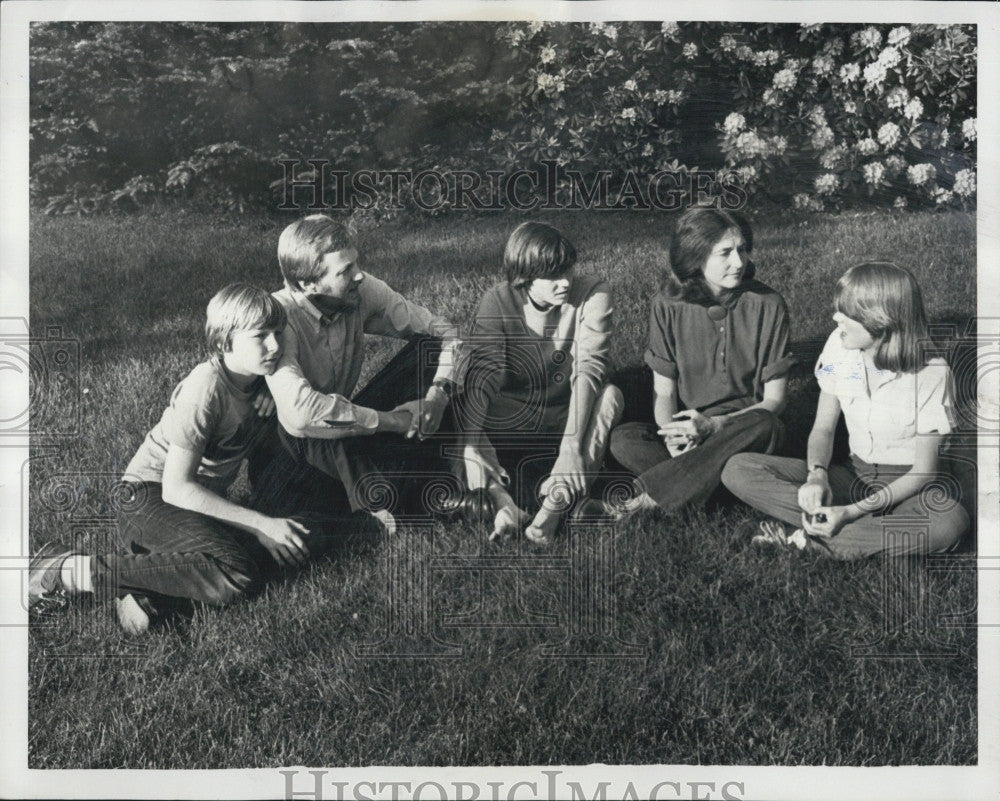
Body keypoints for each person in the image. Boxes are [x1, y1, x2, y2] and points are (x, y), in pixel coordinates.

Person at [28, 284, 376, 634]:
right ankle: (69, 570)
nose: (275, 346)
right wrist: (261, 524)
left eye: (277, 334)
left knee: (280, 545)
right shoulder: (204, 389)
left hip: (194, 507)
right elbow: (176, 488)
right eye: (260, 337)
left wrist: (274, 393)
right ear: (225, 342)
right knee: (239, 570)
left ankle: (151, 596)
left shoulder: (266, 381)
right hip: (147, 497)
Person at [721, 262, 970, 558]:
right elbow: (824, 428)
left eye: (847, 314)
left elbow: (924, 472)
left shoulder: (932, 374)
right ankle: (847, 531)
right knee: (738, 469)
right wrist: (817, 476)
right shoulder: (839, 347)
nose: (835, 317)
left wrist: (851, 512)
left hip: (910, 490)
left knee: (949, 523)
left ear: (882, 321)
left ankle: (802, 538)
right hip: (855, 475)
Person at [249, 214, 463, 519]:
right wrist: (394, 421)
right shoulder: (279, 315)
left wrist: (437, 396)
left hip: (346, 423)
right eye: (346, 270)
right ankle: (401, 492)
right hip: (294, 449)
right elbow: (302, 416)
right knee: (313, 431)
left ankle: (437, 469)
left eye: (356, 263)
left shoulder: (359, 289)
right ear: (308, 284)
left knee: (429, 349)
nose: (360, 275)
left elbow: (447, 334)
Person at [608, 205, 793, 514]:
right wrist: (672, 436)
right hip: (689, 427)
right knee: (623, 439)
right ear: (696, 256)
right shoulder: (667, 305)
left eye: (743, 250)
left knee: (767, 425)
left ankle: (646, 501)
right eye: (725, 253)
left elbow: (775, 402)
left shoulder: (769, 304)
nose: (739, 261)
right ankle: (711, 487)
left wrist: (714, 426)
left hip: (744, 428)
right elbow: (665, 392)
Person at [454, 221, 623, 544]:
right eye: (551, 276)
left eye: (568, 271)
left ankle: (554, 506)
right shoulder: (498, 300)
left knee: (612, 396)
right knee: (465, 410)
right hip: (513, 416)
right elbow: (484, 375)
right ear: (524, 277)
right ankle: (503, 503)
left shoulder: (594, 292)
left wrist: (571, 447)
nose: (564, 283)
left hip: (568, 413)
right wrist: (471, 445)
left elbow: (589, 369)